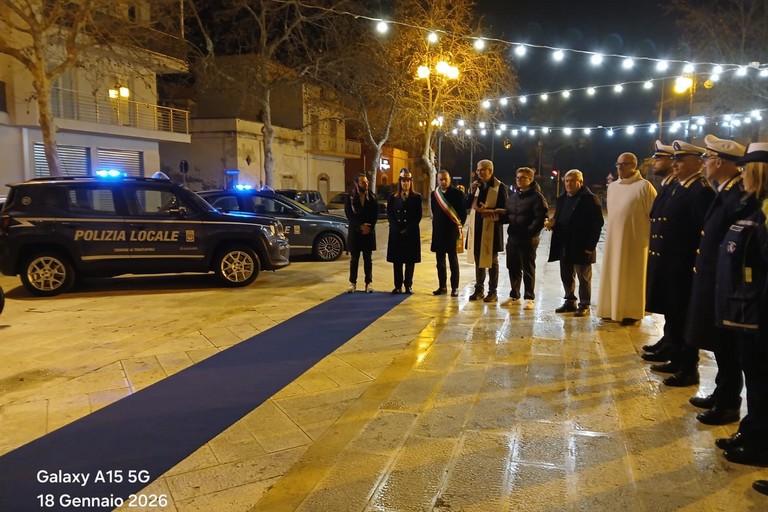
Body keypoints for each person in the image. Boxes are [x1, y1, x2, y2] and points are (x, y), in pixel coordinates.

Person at [712, 142, 768, 467]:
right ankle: (751, 431)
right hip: (746, 308)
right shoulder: (752, 205)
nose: (742, 174)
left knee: (761, 379)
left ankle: (760, 443)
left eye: (747, 169)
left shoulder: (765, 210)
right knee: (754, 375)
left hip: (759, 309)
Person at [684, 134, 746, 425]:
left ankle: (729, 403)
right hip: (714, 279)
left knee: (728, 346)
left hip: (725, 282)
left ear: (720, 162)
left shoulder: (737, 194)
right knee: (722, 345)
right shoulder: (725, 191)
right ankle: (722, 393)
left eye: (707, 158)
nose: (705, 163)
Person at [646, 140, 715, 387]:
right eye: (674, 160)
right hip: (671, 265)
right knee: (674, 315)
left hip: (684, 267)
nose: (675, 164)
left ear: (697, 163)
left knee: (684, 317)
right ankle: (676, 358)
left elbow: (703, 233)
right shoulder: (680, 187)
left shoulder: (701, 191)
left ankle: (688, 368)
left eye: (681, 160)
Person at [597, 152, 656, 324]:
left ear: (634, 165)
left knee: (631, 277)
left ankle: (631, 312)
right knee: (612, 273)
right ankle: (610, 308)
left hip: (635, 242)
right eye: (618, 164)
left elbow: (654, 215)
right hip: (613, 240)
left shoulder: (645, 187)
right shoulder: (612, 187)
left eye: (624, 164)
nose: (620, 168)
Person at [546, 169, 604, 316]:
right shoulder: (562, 199)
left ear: (580, 182)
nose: (569, 184)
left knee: (583, 277)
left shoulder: (590, 199)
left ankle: (584, 304)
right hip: (565, 244)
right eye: (566, 181)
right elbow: (558, 217)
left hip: (582, 245)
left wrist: (591, 246)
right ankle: (569, 301)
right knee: (566, 275)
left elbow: (597, 224)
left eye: (572, 181)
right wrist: (552, 223)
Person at [641, 140, 679, 360]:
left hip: (676, 259)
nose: (654, 162)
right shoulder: (667, 187)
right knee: (670, 308)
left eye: (659, 158)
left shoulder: (680, 189)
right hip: (665, 257)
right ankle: (669, 341)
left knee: (676, 308)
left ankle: (677, 351)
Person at [502, 167, 548, 310]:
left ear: (530, 179)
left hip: (528, 239)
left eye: (523, 178)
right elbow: (508, 215)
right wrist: (496, 217)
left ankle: (529, 297)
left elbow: (540, 218)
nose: (519, 180)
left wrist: (529, 232)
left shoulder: (537, 198)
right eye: (517, 177)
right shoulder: (513, 197)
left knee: (528, 268)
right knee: (512, 267)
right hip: (513, 238)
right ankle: (514, 295)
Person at [465, 159, 508, 302]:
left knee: (492, 261)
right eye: (478, 170)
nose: (479, 173)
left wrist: (488, 210)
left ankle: (493, 291)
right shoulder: (476, 186)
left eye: (482, 170)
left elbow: (505, 209)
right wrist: (471, 192)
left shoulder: (499, 187)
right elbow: (467, 205)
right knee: (478, 259)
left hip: (491, 228)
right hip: (477, 227)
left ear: (490, 171)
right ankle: (479, 289)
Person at [431, 170, 467, 297]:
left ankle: (455, 287)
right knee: (440, 262)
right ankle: (442, 286)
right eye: (441, 179)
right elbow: (434, 212)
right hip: (438, 232)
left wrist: (458, 227)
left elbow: (463, 213)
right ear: (437, 180)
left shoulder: (458, 193)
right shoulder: (434, 194)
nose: (443, 182)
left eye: (445, 179)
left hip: (452, 232)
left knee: (453, 261)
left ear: (450, 179)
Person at [387, 168, 422, 294]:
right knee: (397, 261)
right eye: (403, 180)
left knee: (410, 260)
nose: (405, 183)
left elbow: (418, 216)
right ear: (400, 182)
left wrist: (408, 229)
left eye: (407, 180)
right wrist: (396, 227)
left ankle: (408, 285)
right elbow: (390, 214)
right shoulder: (392, 197)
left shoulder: (417, 197)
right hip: (396, 232)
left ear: (411, 182)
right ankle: (397, 286)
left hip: (411, 232)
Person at [344, 174, 378, 293]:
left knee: (368, 259)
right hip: (355, 232)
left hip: (368, 232)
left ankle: (368, 282)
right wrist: (360, 226)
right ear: (356, 184)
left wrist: (369, 227)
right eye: (363, 182)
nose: (366, 184)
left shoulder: (372, 196)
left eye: (367, 182)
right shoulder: (350, 197)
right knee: (354, 259)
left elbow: (375, 214)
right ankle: (352, 282)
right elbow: (349, 214)